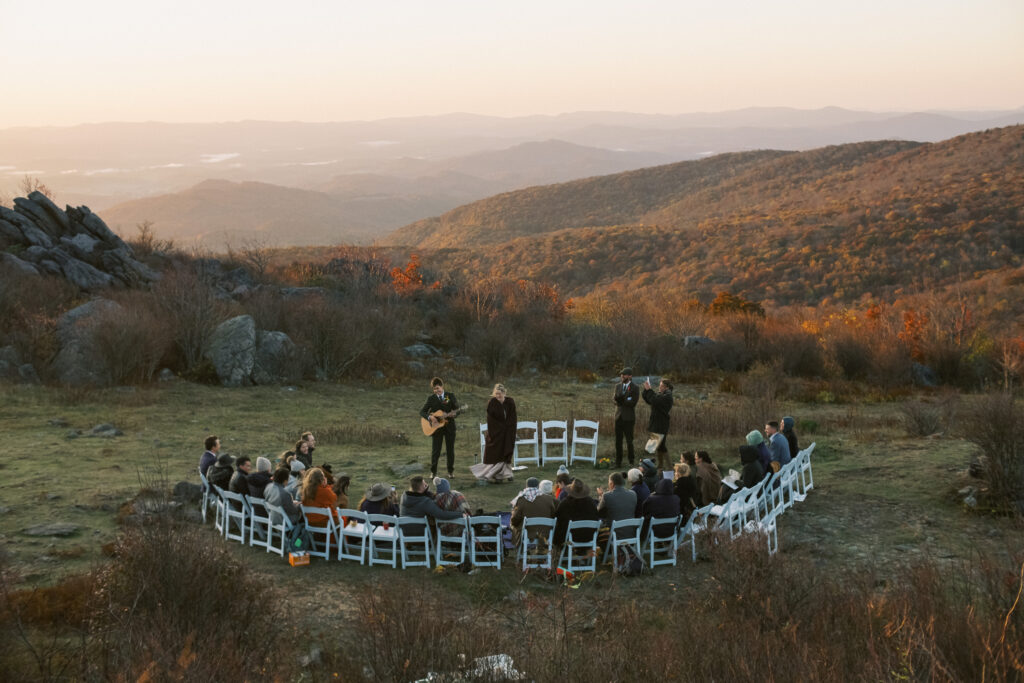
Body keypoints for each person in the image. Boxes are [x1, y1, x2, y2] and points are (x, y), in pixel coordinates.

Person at [470, 383, 517, 483]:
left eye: (500, 394)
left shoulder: (510, 402)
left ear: (504, 393)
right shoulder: (492, 403)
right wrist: (500, 429)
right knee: (496, 454)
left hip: (508, 432)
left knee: (506, 453)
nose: (498, 396)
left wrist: (509, 429)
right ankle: (496, 475)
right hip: (495, 433)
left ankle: (506, 474)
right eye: (496, 394)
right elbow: (491, 420)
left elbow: (513, 417)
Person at [420, 377, 461, 479]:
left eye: (437, 388)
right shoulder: (431, 398)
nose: (436, 391)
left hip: (449, 427)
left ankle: (450, 472)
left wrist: (454, 414)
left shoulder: (449, 396)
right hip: (436, 428)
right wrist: (430, 417)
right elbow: (422, 412)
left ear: (442, 386)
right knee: (436, 451)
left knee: (450, 450)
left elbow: (457, 409)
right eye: (434, 389)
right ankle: (433, 472)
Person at [510, 476, 557, 548]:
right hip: (546, 532)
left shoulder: (521, 499)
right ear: (538, 486)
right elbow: (553, 515)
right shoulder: (549, 499)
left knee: (514, 526)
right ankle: (541, 548)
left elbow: (516, 518)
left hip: (528, 533)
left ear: (526, 486)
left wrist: (512, 523)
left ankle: (520, 549)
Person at [553, 479, 600, 547]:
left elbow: (557, 518)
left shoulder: (564, 503)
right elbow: (596, 517)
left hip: (569, 537)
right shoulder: (591, 502)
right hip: (589, 537)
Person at [641, 377, 674, 472]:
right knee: (661, 446)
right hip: (657, 423)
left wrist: (649, 390)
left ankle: (666, 467)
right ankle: (662, 466)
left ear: (667, 387)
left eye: (661, 386)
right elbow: (650, 400)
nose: (659, 388)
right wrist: (646, 390)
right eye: (659, 386)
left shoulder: (667, 396)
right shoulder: (661, 394)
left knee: (657, 446)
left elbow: (655, 401)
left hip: (661, 424)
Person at [399, 476, 466, 521]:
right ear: (420, 489)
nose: (427, 486)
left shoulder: (404, 497)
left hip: (403, 532)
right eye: (425, 485)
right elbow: (441, 514)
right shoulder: (425, 502)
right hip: (420, 533)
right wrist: (460, 514)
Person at [613, 367, 640, 468]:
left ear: (630, 376)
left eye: (624, 375)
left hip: (629, 418)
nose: (622, 376)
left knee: (629, 441)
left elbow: (633, 402)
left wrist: (623, 401)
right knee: (618, 441)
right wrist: (618, 401)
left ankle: (631, 461)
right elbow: (614, 399)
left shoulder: (635, 388)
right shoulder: (617, 386)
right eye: (621, 375)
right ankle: (618, 462)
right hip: (618, 417)